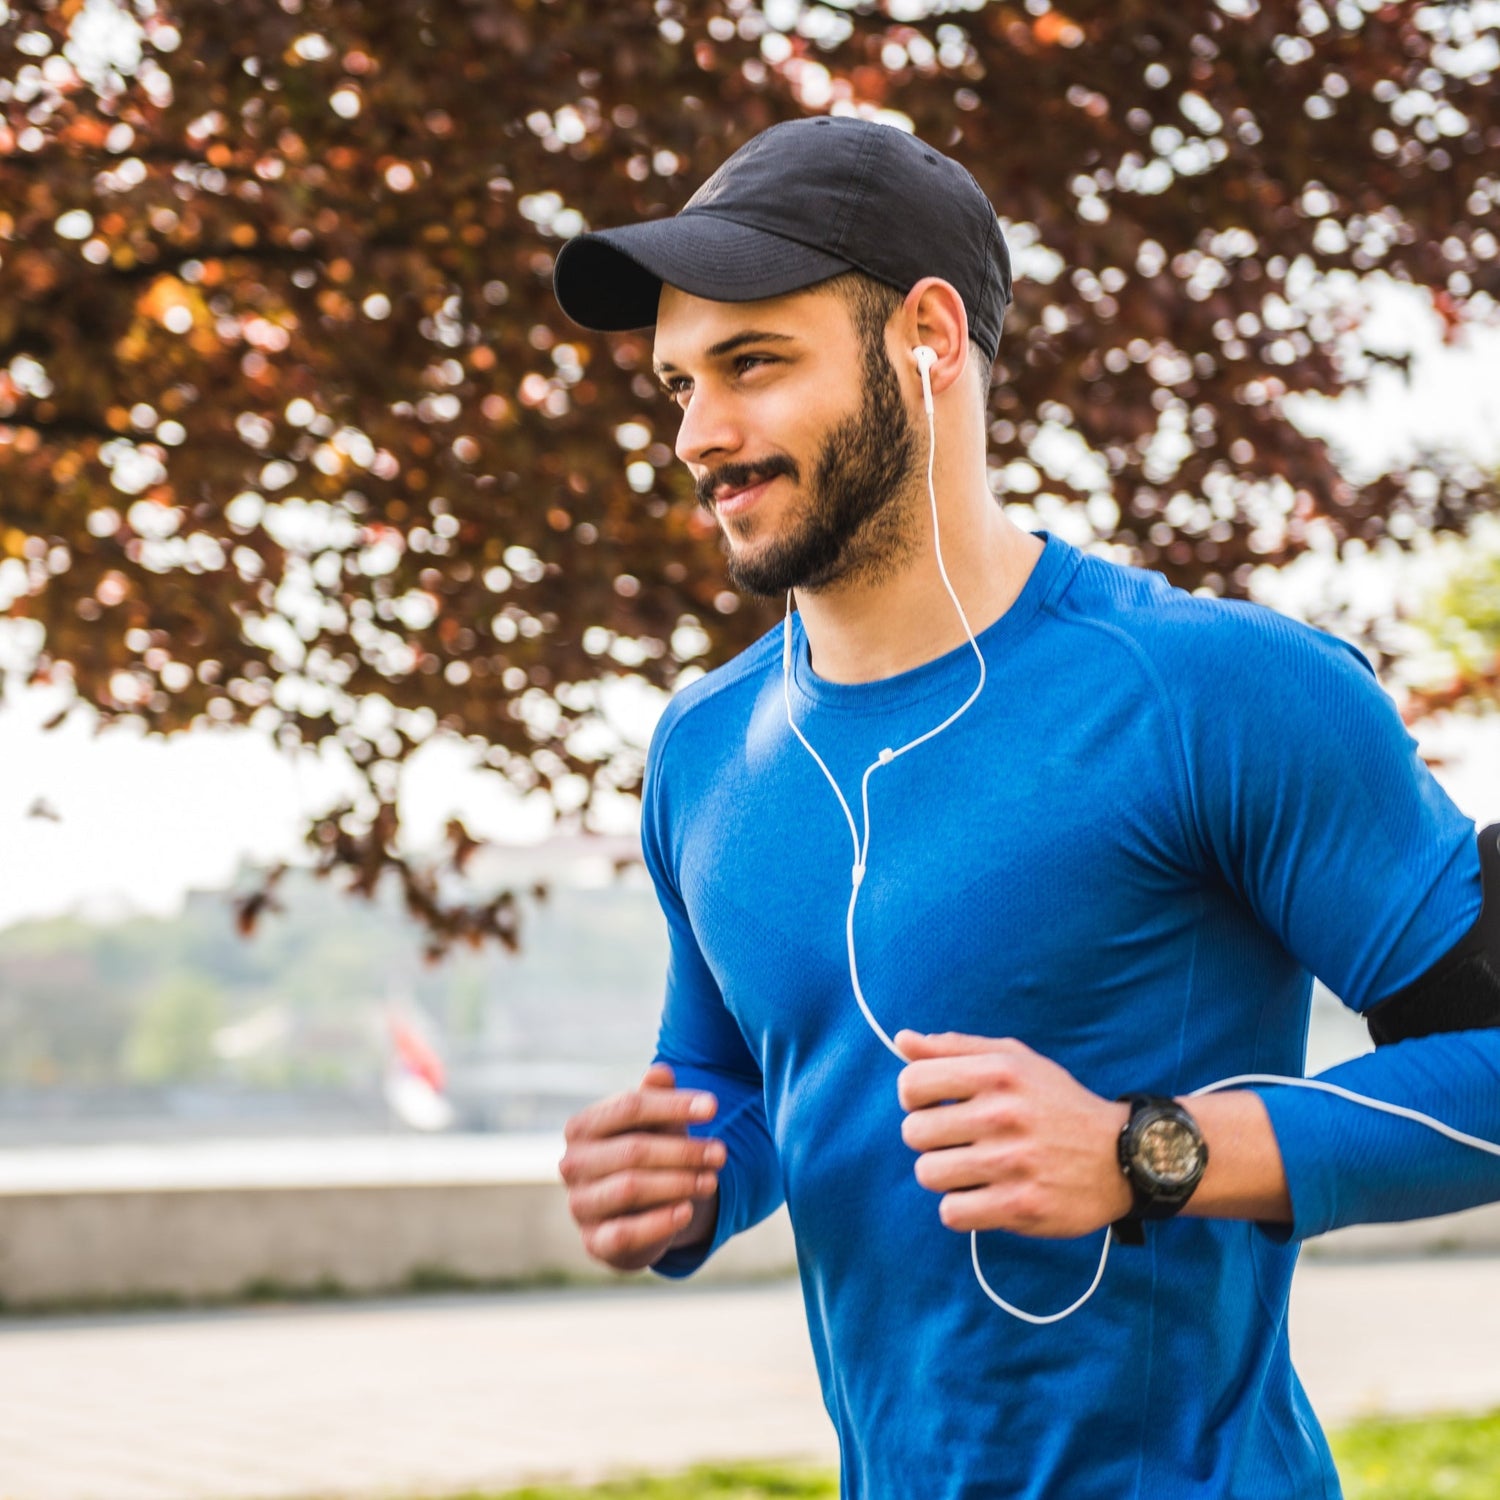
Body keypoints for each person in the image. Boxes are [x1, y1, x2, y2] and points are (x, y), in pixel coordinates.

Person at [550, 116, 1500, 1498]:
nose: (702, 434)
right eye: (679, 383)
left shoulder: (1218, 693)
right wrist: (682, 1170)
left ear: (928, 339)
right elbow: (743, 1083)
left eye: (753, 364)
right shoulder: (702, 752)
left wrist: (1147, 1153)